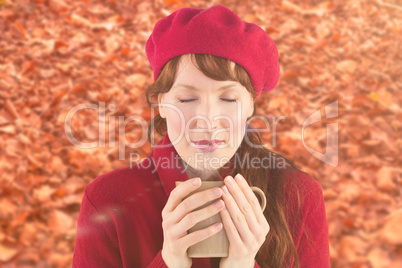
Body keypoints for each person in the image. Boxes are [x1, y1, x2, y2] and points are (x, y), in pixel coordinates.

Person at [72, 4, 330, 268]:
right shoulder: (107, 201)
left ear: (251, 105)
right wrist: (168, 263)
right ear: (161, 102)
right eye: (186, 98)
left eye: (229, 98)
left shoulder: (299, 198)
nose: (207, 119)